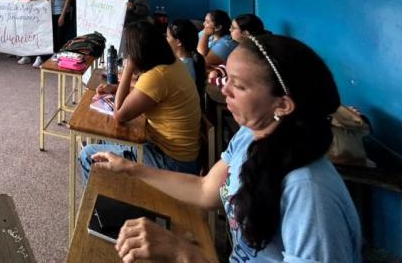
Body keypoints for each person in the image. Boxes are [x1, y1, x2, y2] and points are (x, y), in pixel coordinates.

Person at [92, 34, 362, 263]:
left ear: (282, 105)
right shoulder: (250, 135)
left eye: (239, 85)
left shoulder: (309, 192)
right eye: (226, 77)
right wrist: (131, 168)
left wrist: (184, 253)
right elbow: (205, 190)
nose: (224, 90)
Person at [78, 21, 201, 182]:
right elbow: (145, 92)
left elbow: (119, 114)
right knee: (105, 136)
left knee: (88, 155)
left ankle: (108, 196)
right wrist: (115, 88)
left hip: (171, 163)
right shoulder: (171, 63)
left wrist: (129, 68)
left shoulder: (156, 76)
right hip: (177, 153)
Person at [14, 0, 48, 66]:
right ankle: (27, 56)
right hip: (24, 14)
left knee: (37, 34)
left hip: (36, 14)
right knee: (26, 34)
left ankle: (39, 57)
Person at [165, 19, 206, 104]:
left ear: (178, 42)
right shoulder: (192, 60)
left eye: (167, 37)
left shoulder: (181, 67)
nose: (165, 39)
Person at [44, 0, 74, 67]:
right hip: (52, 13)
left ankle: (61, 58)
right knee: (54, 36)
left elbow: (68, 0)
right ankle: (56, 55)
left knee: (60, 36)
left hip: (62, 13)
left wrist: (62, 16)